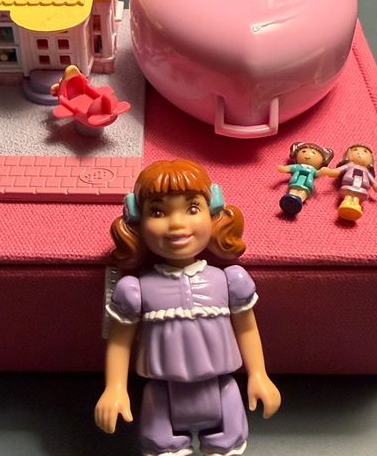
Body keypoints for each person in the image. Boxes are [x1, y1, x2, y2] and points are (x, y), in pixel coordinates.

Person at [95, 159, 281, 456]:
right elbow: (120, 342)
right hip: (162, 395)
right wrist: (115, 388)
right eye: (158, 212)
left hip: (222, 390)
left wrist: (259, 374)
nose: (177, 224)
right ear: (137, 220)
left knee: (227, 446)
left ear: (213, 213)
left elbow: (246, 328)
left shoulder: (230, 280)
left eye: (192, 208)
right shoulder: (135, 289)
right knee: (161, 446)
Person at [325, 144, 377, 221]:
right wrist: (332, 172)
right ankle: (345, 206)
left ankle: (355, 208)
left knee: (356, 199)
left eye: (365, 152)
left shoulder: (366, 171)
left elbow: (373, 181)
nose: (360, 153)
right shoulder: (349, 165)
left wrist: (376, 185)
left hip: (361, 189)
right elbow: (338, 170)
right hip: (348, 186)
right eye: (355, 150)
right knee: (348, 197)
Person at [276, 142, 334, 215]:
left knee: (303, 192)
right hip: (295, 182)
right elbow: (289, 168)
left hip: (307, 185)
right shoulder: (297, 166)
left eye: (313, 153)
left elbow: (317, 173)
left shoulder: (313, 170)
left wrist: (323, 172)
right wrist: (283, 169)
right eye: (303, 151)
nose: (307, 156)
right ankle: (290, 199)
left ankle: (298, 201)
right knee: (293, 190)